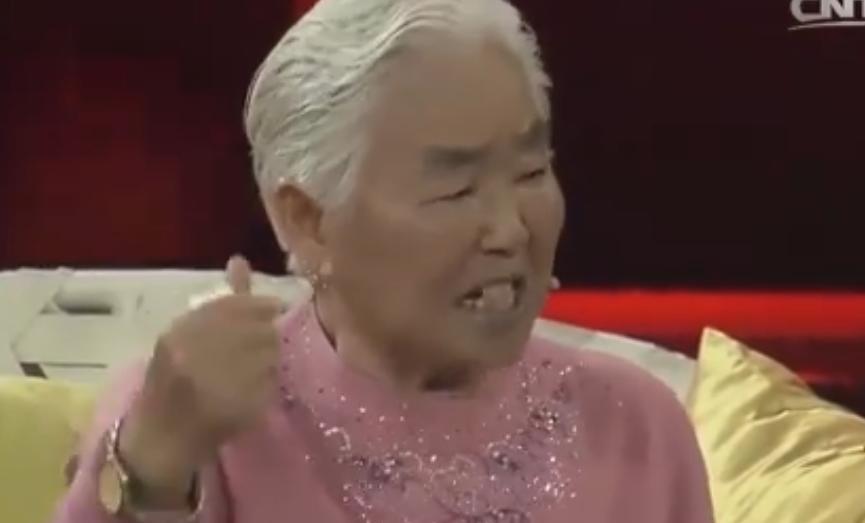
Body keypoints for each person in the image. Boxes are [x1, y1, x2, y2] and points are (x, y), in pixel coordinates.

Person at [53, 0, 714, 521]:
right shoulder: (196, 418)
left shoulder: (636, 425)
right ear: (308, 220)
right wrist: (153, 466)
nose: (511, 229)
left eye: (531, 171)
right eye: (456, 189)